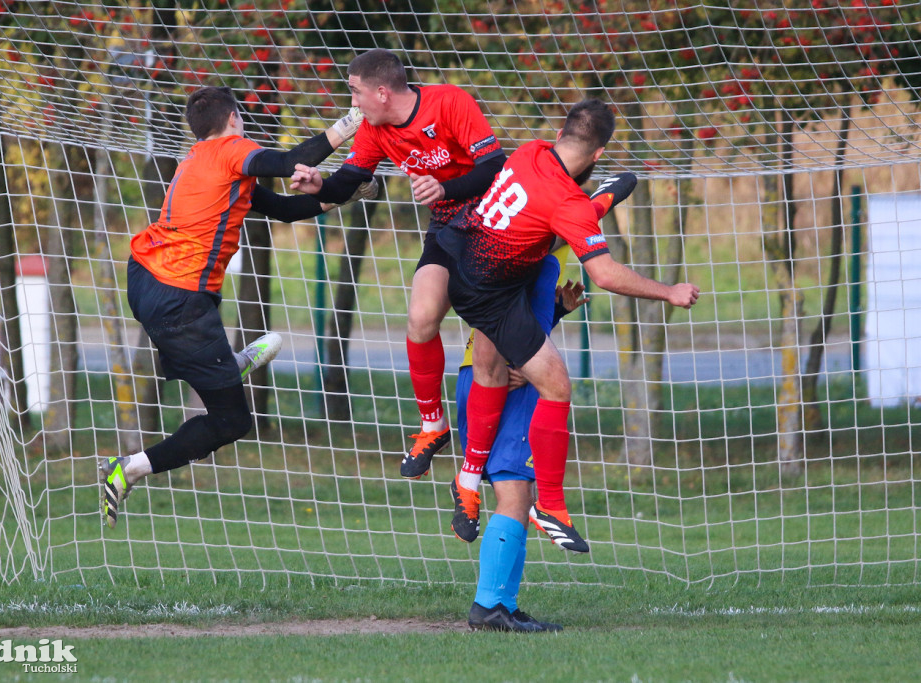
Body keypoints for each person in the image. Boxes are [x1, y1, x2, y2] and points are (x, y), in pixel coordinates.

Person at [100, 85, 375, 529]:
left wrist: (345, 193)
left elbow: (285, 210)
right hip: (179, 297)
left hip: (148, 279)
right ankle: (128, 468)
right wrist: (353, 121)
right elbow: (287, 163)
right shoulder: (229, 150)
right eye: (242, 119)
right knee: (230, 422)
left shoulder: (198, 163)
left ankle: (228, 366)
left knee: (222, 395)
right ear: (233, 121)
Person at [444, 98, 700, 549]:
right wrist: (669, 291)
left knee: (489, 367)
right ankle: (552, 504)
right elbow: (602, 272)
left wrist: (602, 197)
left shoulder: (530, 152)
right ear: (599, 153)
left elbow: (561, 214)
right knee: (556, 386)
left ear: (561, 133)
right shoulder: (567, 202)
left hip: (464, 266)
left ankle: (467, 480)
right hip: (494, 295)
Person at [289, 48, 506, 480]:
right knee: (421, 319)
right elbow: (350, 180)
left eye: (355, 92)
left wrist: (444, 188)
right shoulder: (374, 127)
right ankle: (433, 425)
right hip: (448, 226)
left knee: (490, 361)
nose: (352, 103)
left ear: (383, 92)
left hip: (496, 226)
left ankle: (479, 470)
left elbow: (496, 165)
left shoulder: (449, 102)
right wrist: (318, 185)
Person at [459, 246, 588, 632]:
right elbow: (497, 307)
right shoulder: (529, 244)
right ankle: (490, 607)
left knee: (520, 494)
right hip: (508, 380)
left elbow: (518, 315)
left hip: (489, 376)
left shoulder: (525, 241)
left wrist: (557, 312)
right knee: (516, 495)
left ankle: (504, 605)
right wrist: (512, 363)